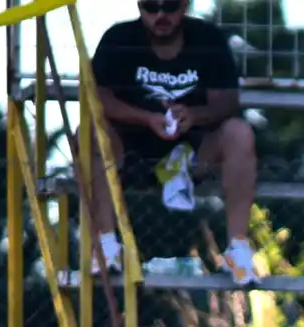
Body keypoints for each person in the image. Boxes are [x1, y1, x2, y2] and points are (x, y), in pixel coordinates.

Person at [90, 0, 257, 284]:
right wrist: (146, 118)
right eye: (150, 7)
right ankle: (106, 246)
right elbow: (98, 98)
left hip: (195, 154)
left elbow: (228, 101)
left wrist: (195, 115)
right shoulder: (119, 39)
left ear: (185, 5)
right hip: (130, 153)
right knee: (91, 134)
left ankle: (237, 249)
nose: (160, 15)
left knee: (239, 133)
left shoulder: (207, 38)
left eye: (170, 6)